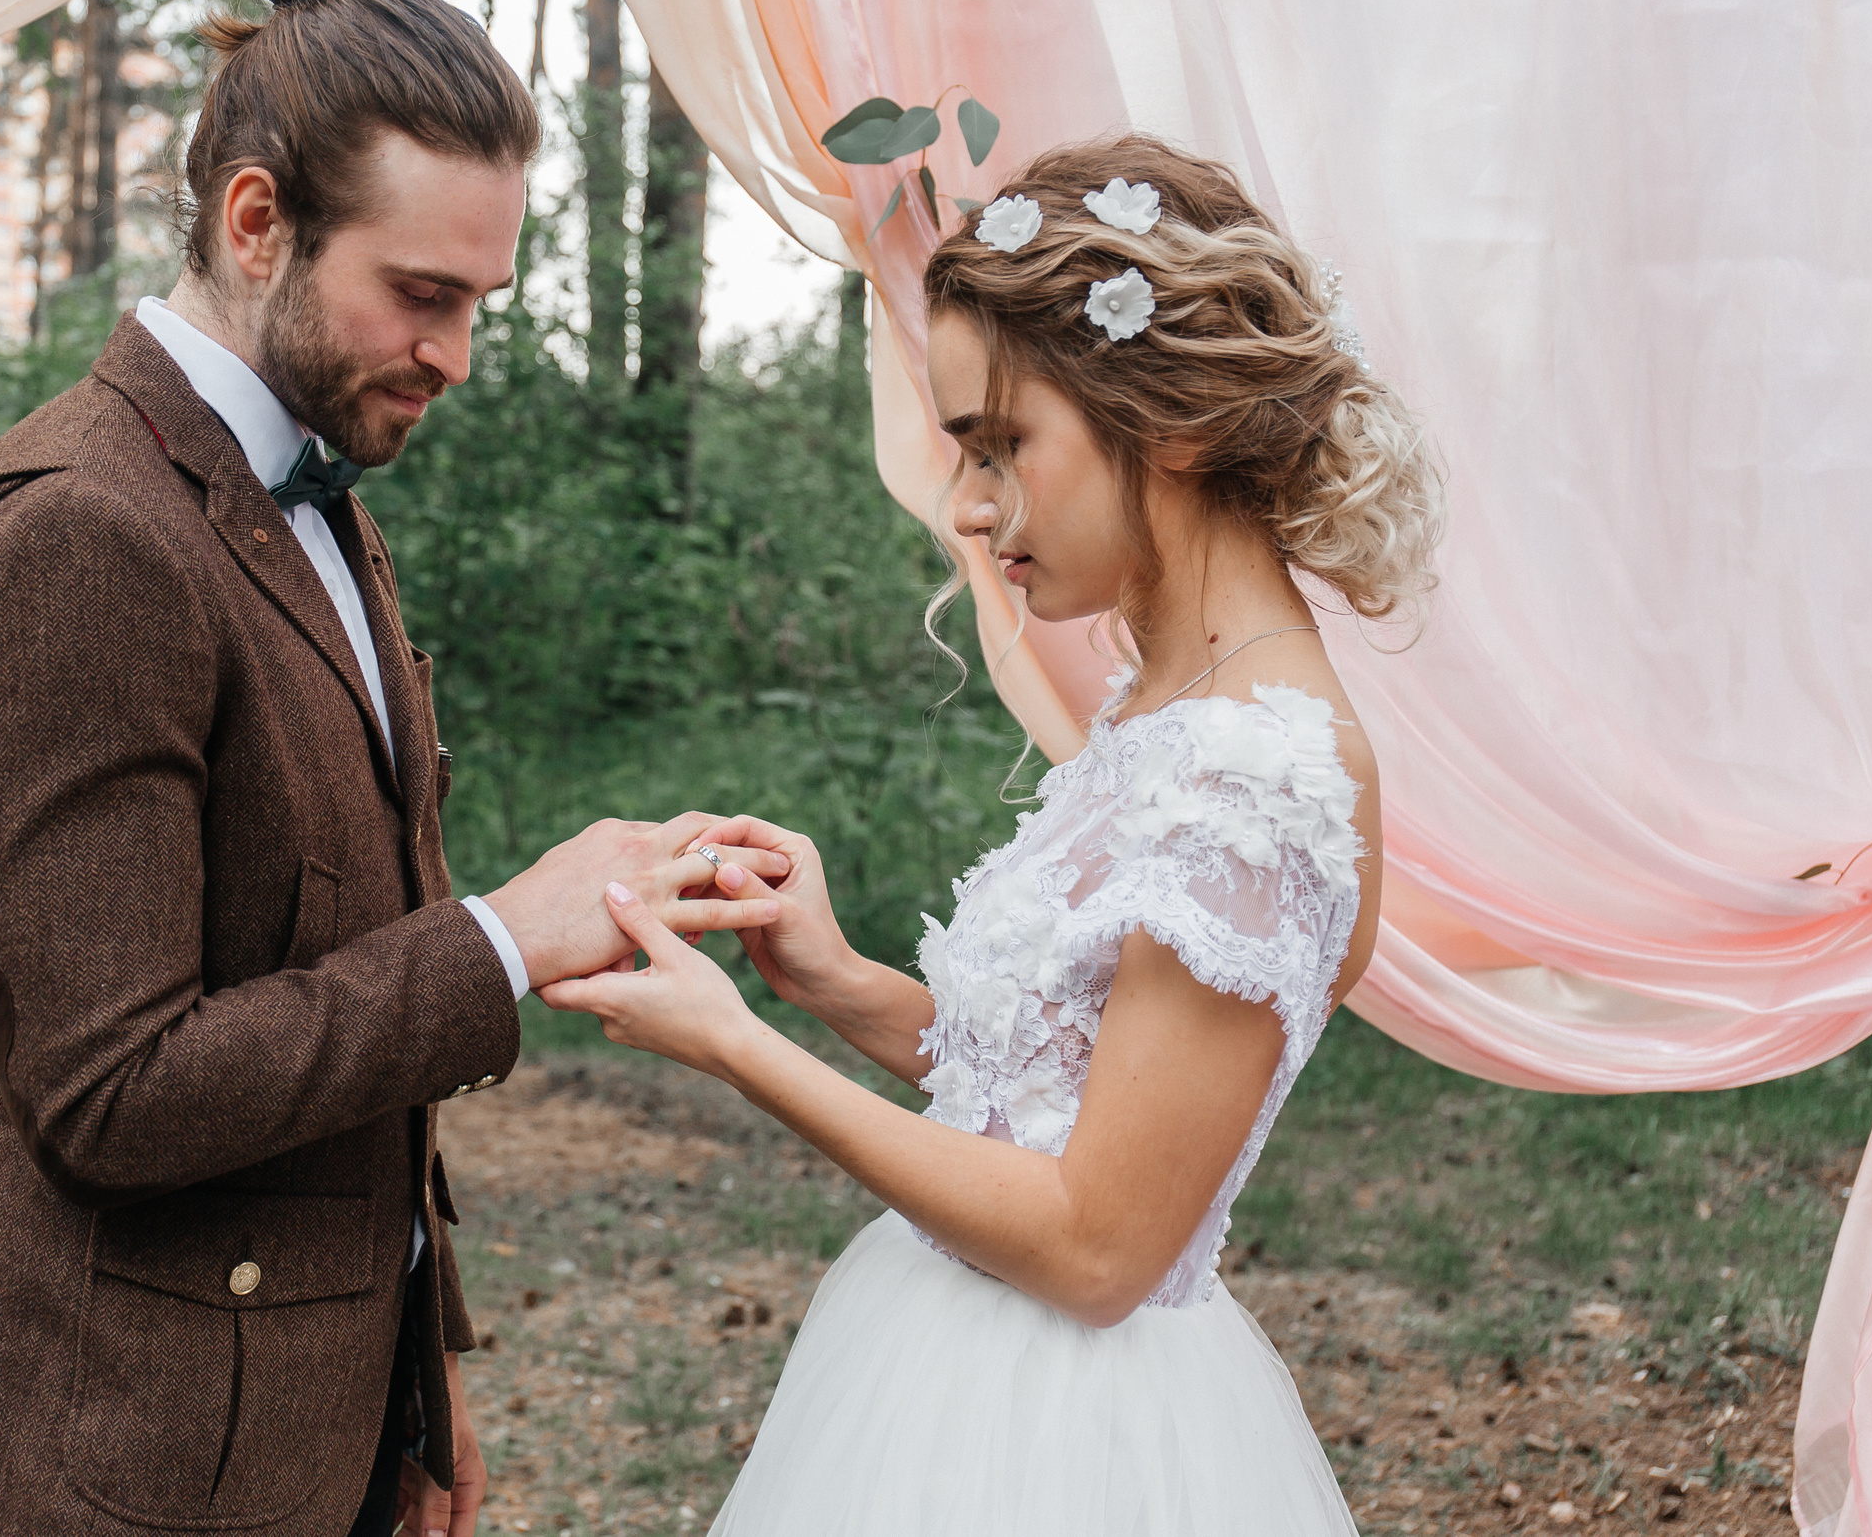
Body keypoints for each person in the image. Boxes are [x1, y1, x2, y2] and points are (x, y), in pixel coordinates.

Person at [0, 0, 784, 1537]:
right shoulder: (81, 535)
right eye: (422, 294)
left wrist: (418, 1382)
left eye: (478, 303)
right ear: (255, 222)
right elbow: (111, 1096)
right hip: (133, 1474)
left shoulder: (305, 480)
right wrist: (503, 944)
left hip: (322, 1426)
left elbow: (330, 954)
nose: (453, 352)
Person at [543, 133, 1445, 1533]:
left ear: (1178, 424)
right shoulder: (1175, 704)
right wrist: (834, 981)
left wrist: (739, 1045)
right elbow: (1062, 1088)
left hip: (1066, 1443)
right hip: (946, 1361)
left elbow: (1096, 1242)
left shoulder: (1263, 780)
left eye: (1001, 446)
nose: (970, 507)